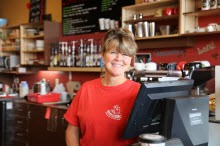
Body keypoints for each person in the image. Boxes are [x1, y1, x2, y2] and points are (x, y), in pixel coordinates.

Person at [64, 27, 141, 146]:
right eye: (113, 52)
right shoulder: (86, 89)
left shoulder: (139, 92)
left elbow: (146, 137)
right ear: (103, 56)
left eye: (125, 54)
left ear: (131, 59)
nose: (119, 58)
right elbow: (71, 131)